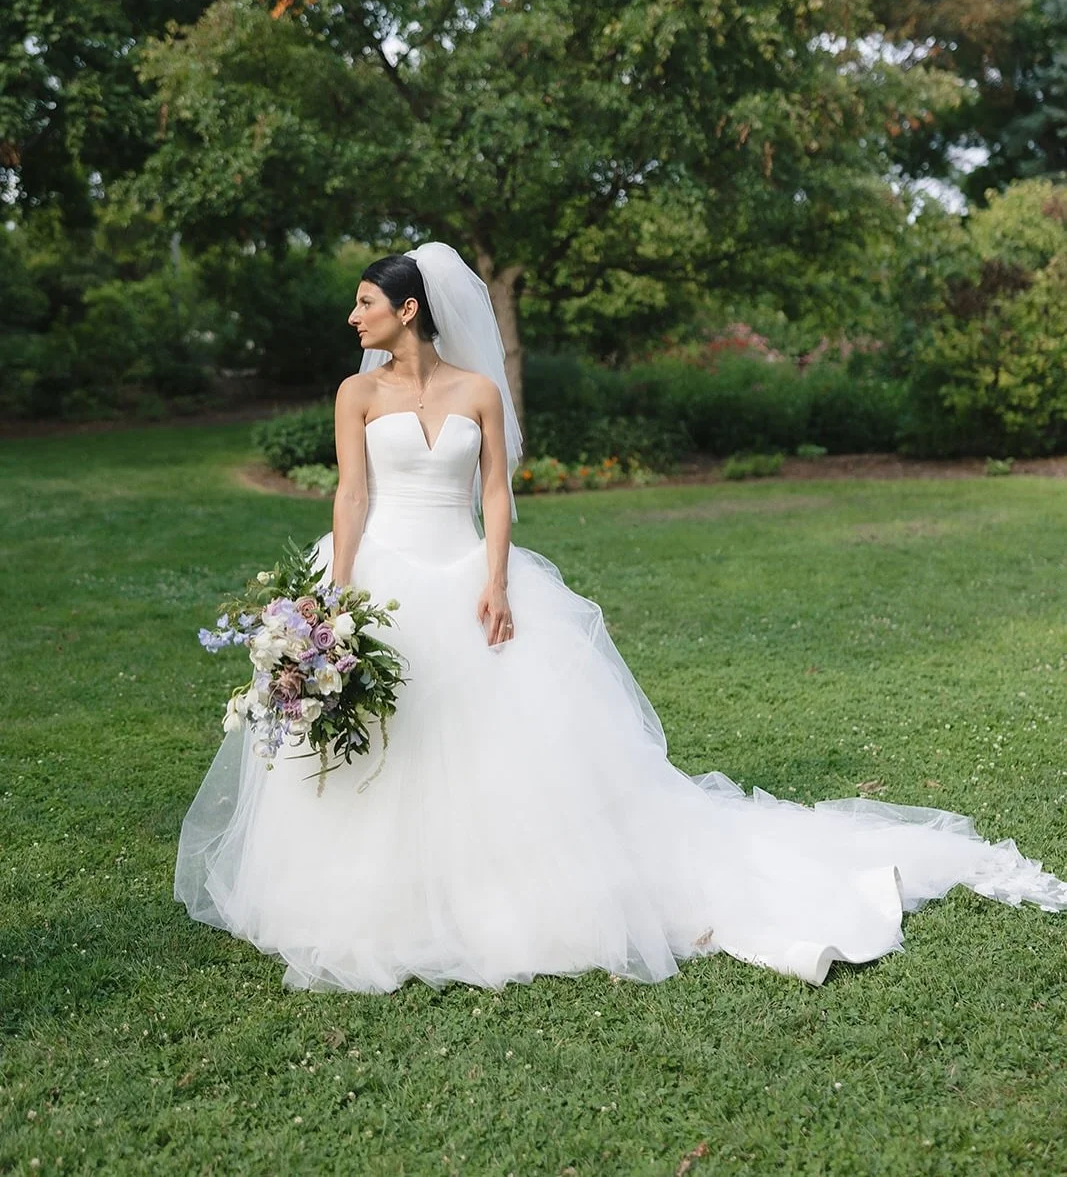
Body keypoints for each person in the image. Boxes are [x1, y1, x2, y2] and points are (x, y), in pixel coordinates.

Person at [174, 243, 1067, 993]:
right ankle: (364, 893)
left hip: (463, 571)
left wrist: (495, 582)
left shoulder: (478, 392)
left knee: (495, 743)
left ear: (408, 309)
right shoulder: (354, 395)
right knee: (380, 733)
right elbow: (351, 492)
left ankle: (503, 889)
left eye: (365, 303)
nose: (353, 318)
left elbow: (495, 494)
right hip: (378, 578)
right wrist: (336, 593)